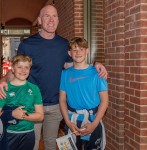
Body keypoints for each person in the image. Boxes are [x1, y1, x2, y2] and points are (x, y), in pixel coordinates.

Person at [0, 4, 107, 150]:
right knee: (33, 144)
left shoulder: (63, 44)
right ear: (39, 20)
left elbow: (76, 65)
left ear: (58, 20)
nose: (51, 20)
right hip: (32, 104)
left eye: (54, 16)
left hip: (56, 106)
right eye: (47, 16)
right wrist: (3, 80)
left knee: (51, 144)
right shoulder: (27, 44)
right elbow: (17, 69)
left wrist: (95, 65)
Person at [59, 37, 109, 150]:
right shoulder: (65, 74)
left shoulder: (98, 73)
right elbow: (62, 100)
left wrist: (94, 124)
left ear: (87, 51)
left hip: (92, 120)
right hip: (72, 121)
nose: (78, 53)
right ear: (69, 53)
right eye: (74, 50)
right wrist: (67, 122)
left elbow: (104, 101)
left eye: (81, 49)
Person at [0, 54, 44, 150]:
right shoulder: (5, 88)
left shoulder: (34, 89)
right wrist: (11, 114)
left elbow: (40, 116)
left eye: (26, 67)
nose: (23, 70)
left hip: (28, 134)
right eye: (19, 67)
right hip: (9, 134)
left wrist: (22, 116)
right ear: (12, 69)